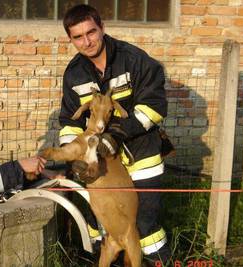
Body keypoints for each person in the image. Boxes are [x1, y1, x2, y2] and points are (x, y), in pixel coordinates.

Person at [59, 4, 171, 265]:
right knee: (102, 228)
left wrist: (118, 133)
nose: (87, 41)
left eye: (91, 32)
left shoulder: (134, 59)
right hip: (101, 167)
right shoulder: (73, 74)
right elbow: (69, 122)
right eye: (78, 36)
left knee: (144, 228)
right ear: (71, 39)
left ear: (102, 28)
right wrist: (73, 157)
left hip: (140, 155)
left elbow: (153, 106)